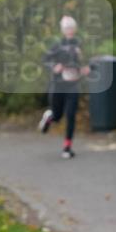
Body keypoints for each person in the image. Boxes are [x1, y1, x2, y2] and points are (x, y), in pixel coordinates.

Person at [38, 15, 89, 158]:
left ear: (75, 29)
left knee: (71, 115)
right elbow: (44, 60)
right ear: (63, 30)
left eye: (72, 28)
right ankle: (49, 117)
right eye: (67, 28)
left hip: (73, 84)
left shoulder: (80, 44)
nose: (70, 31)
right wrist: (54, 66)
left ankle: (67, 147)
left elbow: (86, 62)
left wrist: (86, 67)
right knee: (58, 116)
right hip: (58, 85)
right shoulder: (57, 45)